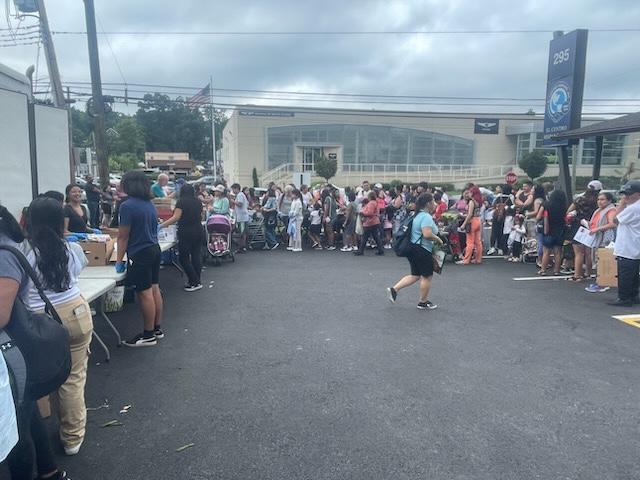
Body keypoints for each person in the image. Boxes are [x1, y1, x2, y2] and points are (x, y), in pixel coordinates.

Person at [0, 204, 71, 480]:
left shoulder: (4, 256)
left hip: (12, 353)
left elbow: (2, 315)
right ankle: (49, 469)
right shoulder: (17, 248)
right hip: (16, 350)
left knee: (16, 426)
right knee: (27, 412)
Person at [117, 171, 164, 347]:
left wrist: (119, 260)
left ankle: (148, 334)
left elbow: (123, 236)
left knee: (144, 293)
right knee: (154, 289)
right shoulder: (149, 204)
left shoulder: (127, 206)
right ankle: (156, 328)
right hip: (154, 248)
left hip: (140, 252)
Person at [387, 193, 443, 310]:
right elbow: (427, 234)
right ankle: (423, 302)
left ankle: (394, 289)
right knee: (427, 276)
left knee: (415, 275)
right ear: (428, 203)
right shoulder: (426, 217)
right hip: (422, 249)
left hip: (412, 248)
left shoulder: (415, 215)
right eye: (433, 202)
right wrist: (438, 239)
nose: (435, 204)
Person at [160, 184, 204, 291]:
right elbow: (202, 215)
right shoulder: (198, 201)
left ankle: (193, 281)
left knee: (183, 257)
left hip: (186, 231)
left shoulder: (181, 202)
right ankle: (197, 280)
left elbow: (176, 217)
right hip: (198, 229)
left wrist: (161, 225)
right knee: (196, 255)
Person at [607, 180, 640, 307]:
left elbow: (615, 220)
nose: (626, 197)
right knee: (634, 273)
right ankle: (633, 295)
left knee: (625, 273)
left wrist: (621, 204)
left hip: (628, 246)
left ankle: (624, 298)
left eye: (629, 194)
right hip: (635, 244)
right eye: (625, 194)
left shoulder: (633, 208)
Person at [584, 192, 617, 293]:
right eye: (598, 199)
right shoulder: (599, 210)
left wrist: (597, 229)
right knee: (599, 259)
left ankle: (603, 283)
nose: (599, 202)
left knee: (603, 260)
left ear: (609, 200)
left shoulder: (611, 210)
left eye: (602, 199)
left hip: (605, 238)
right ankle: (600, 282)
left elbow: (612, 224)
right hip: (597, 237)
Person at [567, 189, 598, 282]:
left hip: (578, 227)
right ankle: (588, 273)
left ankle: (577, 274)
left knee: (578, 253)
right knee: (588, 252)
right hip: (591, 227)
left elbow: (569, 211)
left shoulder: (579, 200)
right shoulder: (596, 202)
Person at [539, 189, 568, 276]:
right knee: (558, 252)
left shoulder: (547, 205)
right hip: (560, 231)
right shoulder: (564, 207)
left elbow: (541, 217)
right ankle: (556, 270)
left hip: (548, 231)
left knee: (546, 252)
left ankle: (543, 270)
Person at [457, 186, 483, 265]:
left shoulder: (471, 202)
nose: (468, 194)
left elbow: (470, 214)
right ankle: (478, 259)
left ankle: (466, 260)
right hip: (478, 220)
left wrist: (464, 224)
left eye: (470, 192)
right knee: (478, 242)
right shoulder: (477, 202)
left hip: (472, 221)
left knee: (470, 242)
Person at [354, 191, 384, 256]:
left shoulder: (371, 203)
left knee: (365, 237)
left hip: (369, 222)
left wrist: (362, 213)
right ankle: (380, 250)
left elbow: (370, 212)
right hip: (375, 221)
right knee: (376, 237)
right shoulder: (375, 202)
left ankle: (360, 251)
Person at [231, 183, 249, 253]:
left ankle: (242, 247)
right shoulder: (240, 195)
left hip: (242, 217)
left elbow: (240, 204)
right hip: (240, 217)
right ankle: (242, 246)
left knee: (242, 232)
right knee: (241, 232)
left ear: (236, 188)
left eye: (233, 189)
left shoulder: (240, 195)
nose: (233, 191)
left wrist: (233, 201)